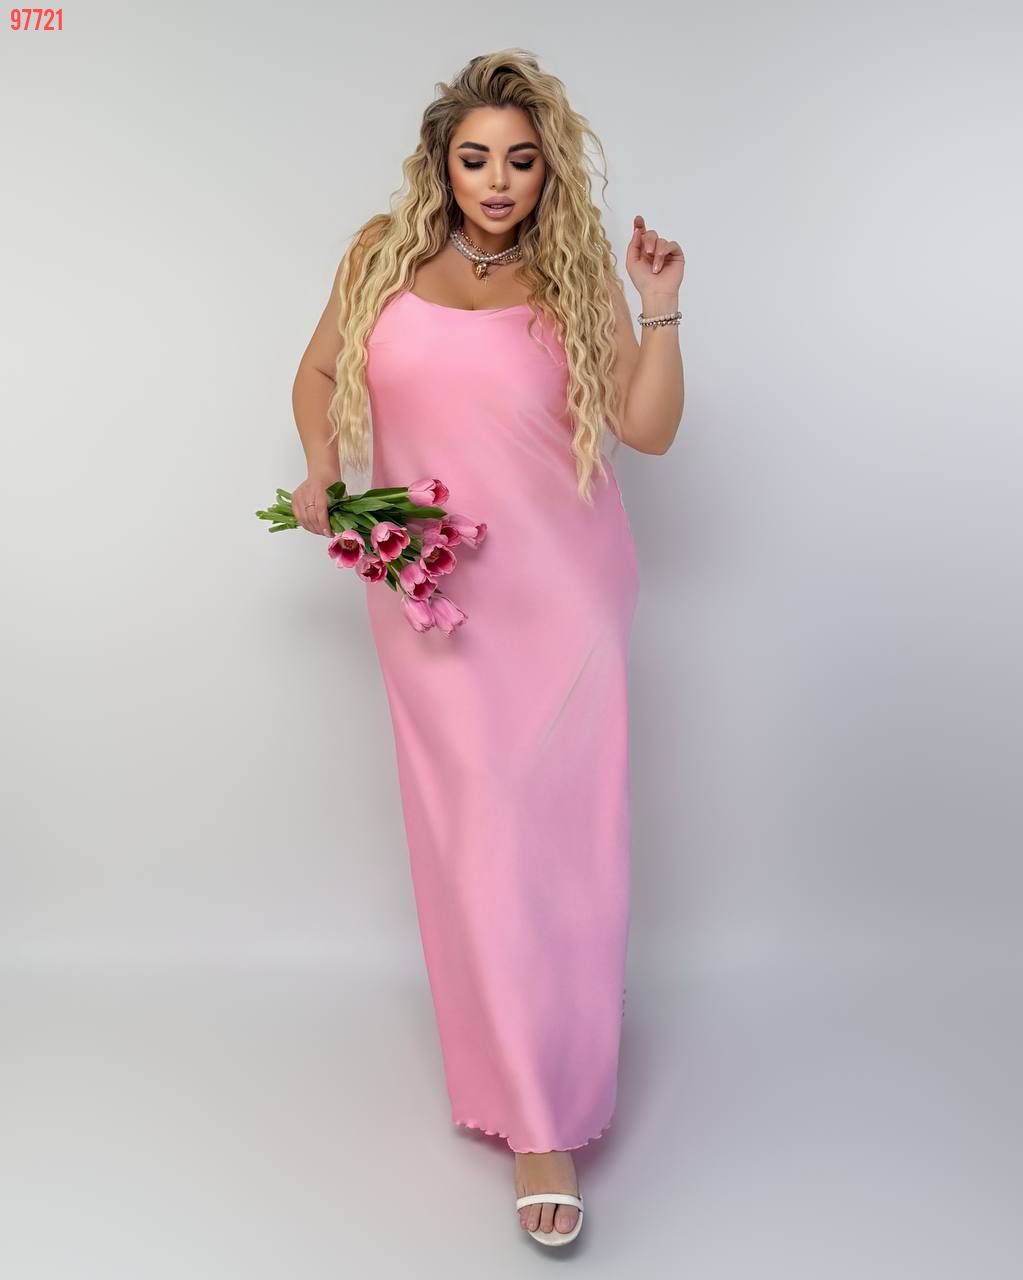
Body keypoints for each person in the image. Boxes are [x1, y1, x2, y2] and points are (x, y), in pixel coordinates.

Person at [289, 48, 684, 1247]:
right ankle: (527, 1095)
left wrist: (658, 305)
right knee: (479, 838)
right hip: (431, 585)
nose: (499, 181)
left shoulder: (573, 272)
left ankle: (546, 1109)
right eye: (477, 158)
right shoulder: (378, 256)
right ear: (442, 164)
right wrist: (322, 474)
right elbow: (319, 373)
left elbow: (648, 429)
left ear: (545, 166)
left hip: (565, 597)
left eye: (520, 159)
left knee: (566, 846)